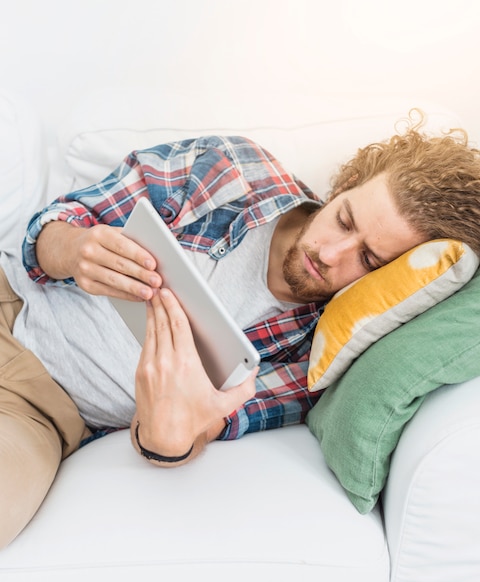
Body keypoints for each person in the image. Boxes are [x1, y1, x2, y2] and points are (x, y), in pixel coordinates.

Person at [1, 117, 480, 549]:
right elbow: (53, 228)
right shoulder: (231, 168)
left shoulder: (316, 355)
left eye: (368, 260)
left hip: (38, 410)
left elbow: (207, 426)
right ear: (346, 185)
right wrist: (72, 246)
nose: (331, 253)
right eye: (344, 220)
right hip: (11, 300)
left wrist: (170, 440)